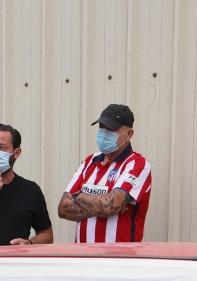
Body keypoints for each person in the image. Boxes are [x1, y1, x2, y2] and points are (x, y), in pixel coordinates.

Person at [58, 103, 153, 243]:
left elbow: (111, 205)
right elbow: (62, 209)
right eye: (101, 127)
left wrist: (79, 197)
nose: (104, 132)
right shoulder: (89, 161)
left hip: (119, 260)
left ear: (129, 134)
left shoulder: (137, 164)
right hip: (82, 258)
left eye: (111, 129)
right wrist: (103, 204)